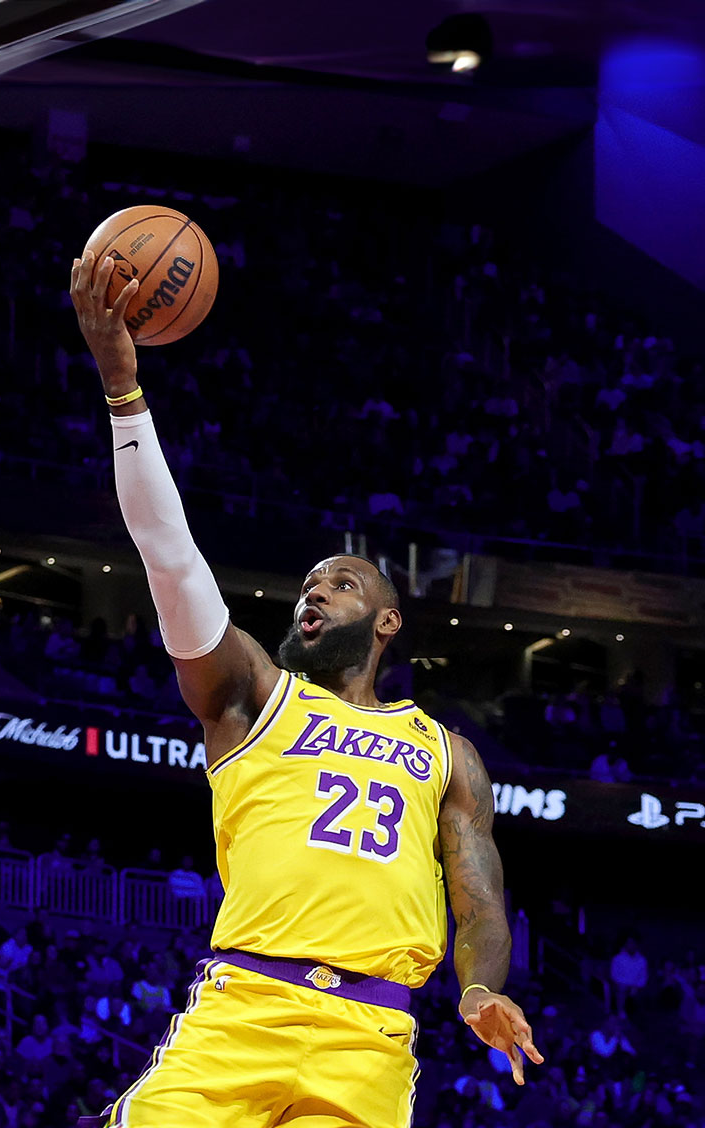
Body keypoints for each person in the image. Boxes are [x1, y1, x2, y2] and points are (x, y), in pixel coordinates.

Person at [69, 250, 543, 1127]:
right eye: (309, 584)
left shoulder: (449, 755)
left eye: (342, 583)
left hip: (371, 1037)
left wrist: (478, 992)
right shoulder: (251, 693)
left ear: (389, 622)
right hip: (243, 1009)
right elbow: (168, 552)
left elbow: (478, 901)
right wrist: (124, 391)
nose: (314, 591)